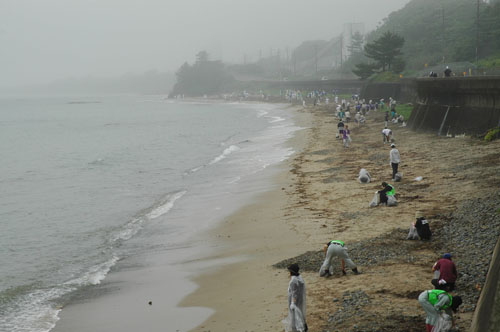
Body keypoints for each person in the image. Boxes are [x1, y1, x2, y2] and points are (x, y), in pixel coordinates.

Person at [283, 263, 308, 332]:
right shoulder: (300, 278)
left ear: (291, 272)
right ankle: (303, 327)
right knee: (300, 315)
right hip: (300, 301)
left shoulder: (293, 281)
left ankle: (298, 329)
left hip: (294, 303)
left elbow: (294, 293)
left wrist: (293, 303)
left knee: (295, 318)